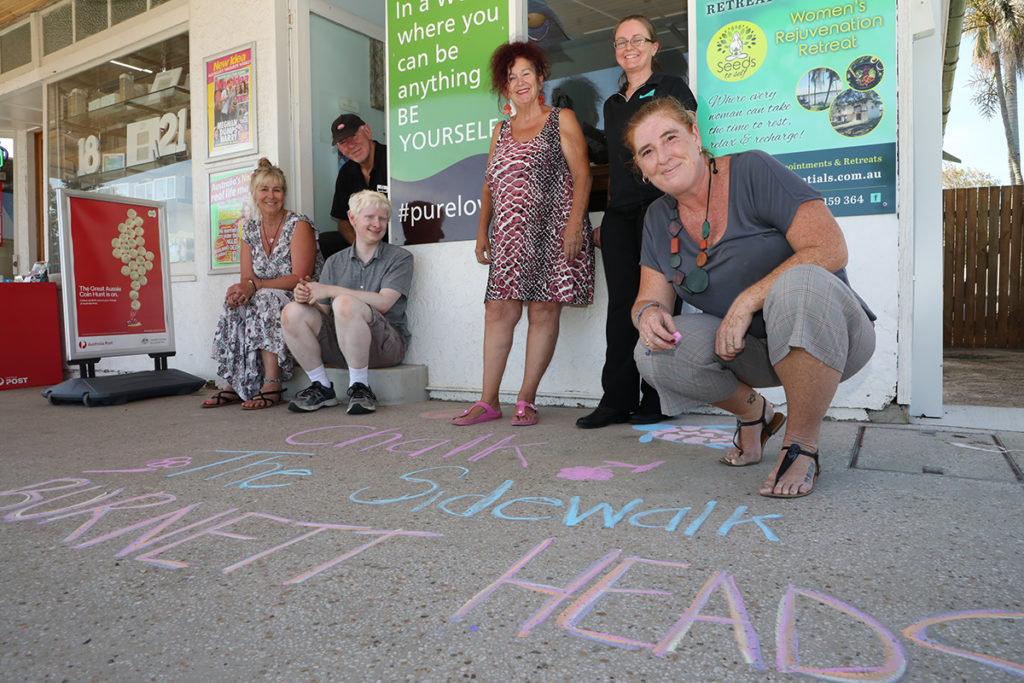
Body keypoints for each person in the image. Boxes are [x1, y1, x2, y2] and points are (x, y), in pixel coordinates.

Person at [627, 97, 876, 498]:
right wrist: (649, 315)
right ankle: (755, 414)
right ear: (640, 167)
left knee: (798, 283)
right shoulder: (658, 217)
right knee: (652, 350)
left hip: (831, 336)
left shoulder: (752, 170)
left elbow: (830, 249)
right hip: (747, 350)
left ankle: (801, 444)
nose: (663, 157)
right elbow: (647, 299)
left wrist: (747, 301)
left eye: (670, 138)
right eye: (647, 151)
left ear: (694, 135)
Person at [452, 41, 594, 427]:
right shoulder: (501, 129)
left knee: (544, 309)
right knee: (499, 309)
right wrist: (483, 232)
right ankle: (488, 400)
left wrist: (574, 225)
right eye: (511, 77)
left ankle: (526, 399)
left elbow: (583, 173)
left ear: (541, 77)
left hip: (556, 228)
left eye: (525, 74)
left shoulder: (561, 118)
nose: (519, 82)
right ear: (505, 86)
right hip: (511, 233)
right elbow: (489, 183)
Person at [577, 15, 698, 430]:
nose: (628, 47)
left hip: (662, 208)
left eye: (636, 40)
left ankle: (660, 398)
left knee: (663, 304)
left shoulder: (670, 89)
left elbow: (688, 142)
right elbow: (614, 163)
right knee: (622, 308)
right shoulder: (611, 105)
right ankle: (617, 400)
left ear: (653, 46)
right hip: (620, 215)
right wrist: (605, 222)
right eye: (620, 42)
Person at [203, 158, 322, 409]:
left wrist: (256, 286)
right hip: (265, 293)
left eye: (277, 190)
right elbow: (247, 277)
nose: (271, 196)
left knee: (264, 299)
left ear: (284, 194)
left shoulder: (298, 224)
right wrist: (242, 290)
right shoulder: (249, 230)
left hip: (299, 296)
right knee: (235, 302)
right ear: (254, 194)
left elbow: (300, 276)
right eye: (264, 189)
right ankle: (237, 382)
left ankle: (272, 382)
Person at [282, 190, 412, 415]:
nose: (377, 224)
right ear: (352, 219)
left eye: (382, 219)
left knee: (344, 302)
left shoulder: (400, 257)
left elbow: (383, 303)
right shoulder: (335, 261)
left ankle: (359, 386)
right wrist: (307, 299)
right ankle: (321, 387)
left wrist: (331, 290)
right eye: (369, 217)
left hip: (385, 346)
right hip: (342, 346)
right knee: (293, 311)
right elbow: (322, 311)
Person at [330, 114, 388, 249]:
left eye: (354, 136)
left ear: (367, 131)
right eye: (343, 142)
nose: (351, 145)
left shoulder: (392, 158)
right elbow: (343, 221)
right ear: (339, 148)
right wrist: (365, 249)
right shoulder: (345, 173)